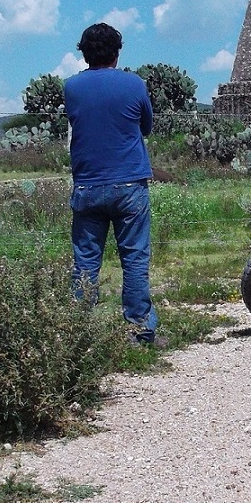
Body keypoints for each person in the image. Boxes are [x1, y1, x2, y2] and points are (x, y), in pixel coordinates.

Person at [63, 23, 159, 346]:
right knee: (134, 259)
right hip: (130, 184)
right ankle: (139, 331)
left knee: (86, 262)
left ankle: (80, 334)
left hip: (87, 186)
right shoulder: (134, 84)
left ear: (85, 54)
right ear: (117, 53)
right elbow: (146, 126)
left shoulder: (72, 87)